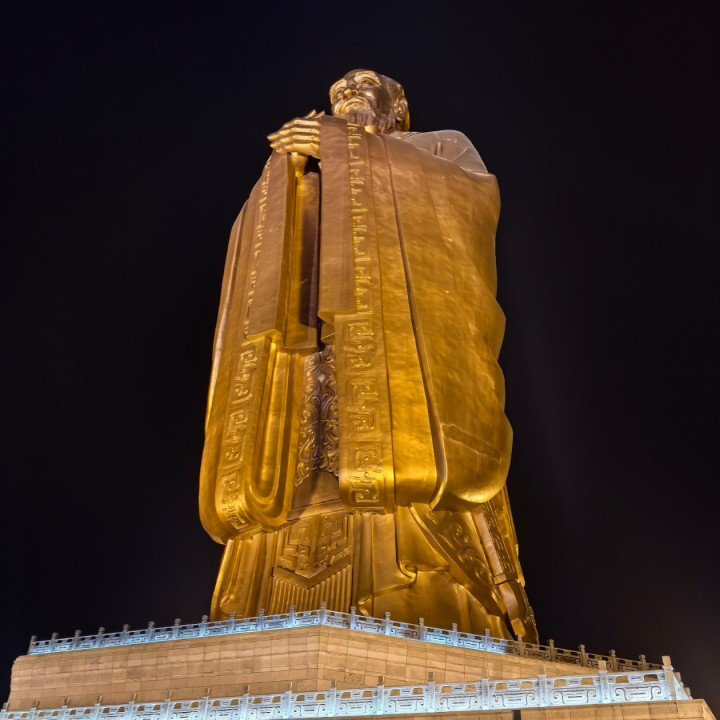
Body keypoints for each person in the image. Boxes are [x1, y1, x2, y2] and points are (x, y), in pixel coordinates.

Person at [199, 69, 537, 642]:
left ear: (396, 108)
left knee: (396, 471)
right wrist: (287, 177)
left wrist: (346, 149)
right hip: (306, 362)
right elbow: (251, 252)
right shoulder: (306, 163)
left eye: (364, 85)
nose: (347, 93)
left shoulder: (439, 146)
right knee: (296, 458)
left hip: (395, 356)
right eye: (338, 92)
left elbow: (472, 202)